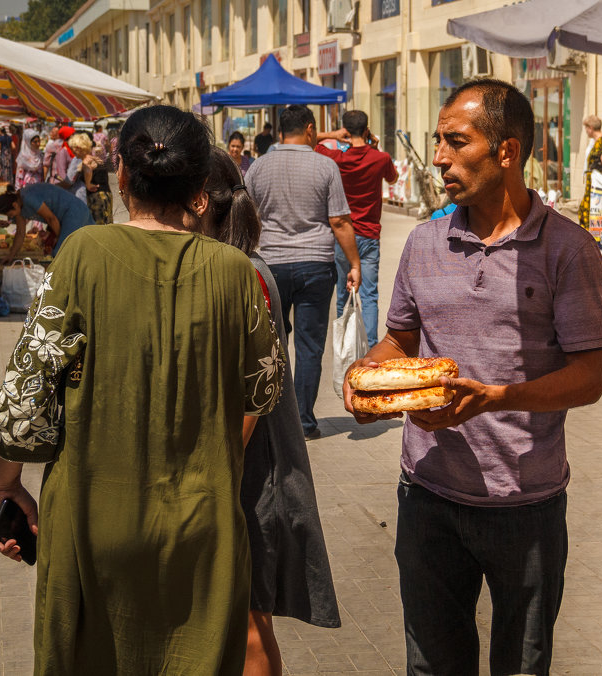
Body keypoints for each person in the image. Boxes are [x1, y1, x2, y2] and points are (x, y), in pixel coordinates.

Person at [0, 105, 284, 675]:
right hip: (202, 529)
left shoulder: (83, 253)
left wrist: (7, 484)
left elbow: (25, 396)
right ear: (201, 186)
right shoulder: (233, 270)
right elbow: (264, 389)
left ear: (120, 176)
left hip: (93, 522)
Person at [343, 79, 602, 675]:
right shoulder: (424, 242)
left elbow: (590, 376)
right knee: (433, 665)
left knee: (522, 664)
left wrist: (496, 399)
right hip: (427, 494)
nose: (438, 157)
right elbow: (402, 339)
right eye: (439, 141)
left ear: (506, 152)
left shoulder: (568, 250)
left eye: (456, 142)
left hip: (525, 503)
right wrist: (368, 372)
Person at [199, 146, 341, 676]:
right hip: (236, 472)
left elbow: (250, 398)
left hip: (249, 475)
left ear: (196, 204)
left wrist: (205, 474)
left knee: (250, 621)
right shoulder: (227, 269)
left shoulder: (244, 275)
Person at [246, 104, 361, 440]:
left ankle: (271, 419)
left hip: (270, 266)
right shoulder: (325, 166)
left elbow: (247, 215)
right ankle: (303, 422)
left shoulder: (258, 167)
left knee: (271, 343)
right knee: (310, 347)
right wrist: (354, 263)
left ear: (281, 130)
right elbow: (339, 221)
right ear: (311, 130)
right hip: (315, 265)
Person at [316, 110, 399, 350]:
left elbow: (310, 141)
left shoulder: (336, 158)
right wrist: (374, 145)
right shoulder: (380, 158)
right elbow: (392, 179)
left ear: (345, 130)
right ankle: (372, 349)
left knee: (343, 293)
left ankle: (344, 345)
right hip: (370, 235)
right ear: (366, 129)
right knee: (370, 295)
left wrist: (333, 135)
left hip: (344, 236)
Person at [0, 182, 94, 258]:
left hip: (74, 212)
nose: (11, 217)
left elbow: (51, 219)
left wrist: (58, 239)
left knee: (61, 252)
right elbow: (20, 233)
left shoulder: (28, 197)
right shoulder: (19, 206)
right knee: (88, 247)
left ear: (14, 205)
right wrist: (11, 256)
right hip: (70, 214)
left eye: (10, 214)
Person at [577, 114, 602, 231]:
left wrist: (601, 188)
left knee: (588, 214)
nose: (586, 132)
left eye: (586, 128)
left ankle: (592, 243)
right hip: (592, 186)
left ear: (591, 128)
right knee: (584, 212)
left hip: (597, 188)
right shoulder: (597, 142)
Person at [87, 139, 114, 224]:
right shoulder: (102, 163)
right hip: (107, 194)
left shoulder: (90, 164)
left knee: (98, 224)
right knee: (108, 222)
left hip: (97, 196)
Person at [65, 132, 96, 204]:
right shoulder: (94, 155)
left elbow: (69, 180)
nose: (72, 151)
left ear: (79, 147)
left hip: (83, 198)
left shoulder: (81, 160)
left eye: (73, 148)